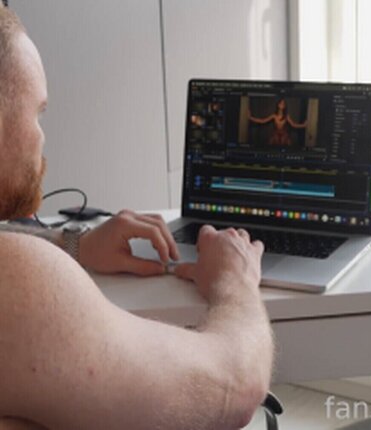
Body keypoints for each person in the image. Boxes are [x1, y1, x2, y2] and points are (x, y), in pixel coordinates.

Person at [0, 6, 273, 429]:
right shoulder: (15, 281)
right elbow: (231, 388)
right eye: (38, 112)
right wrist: (236, 287)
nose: (42, 135)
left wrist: (76, 244)